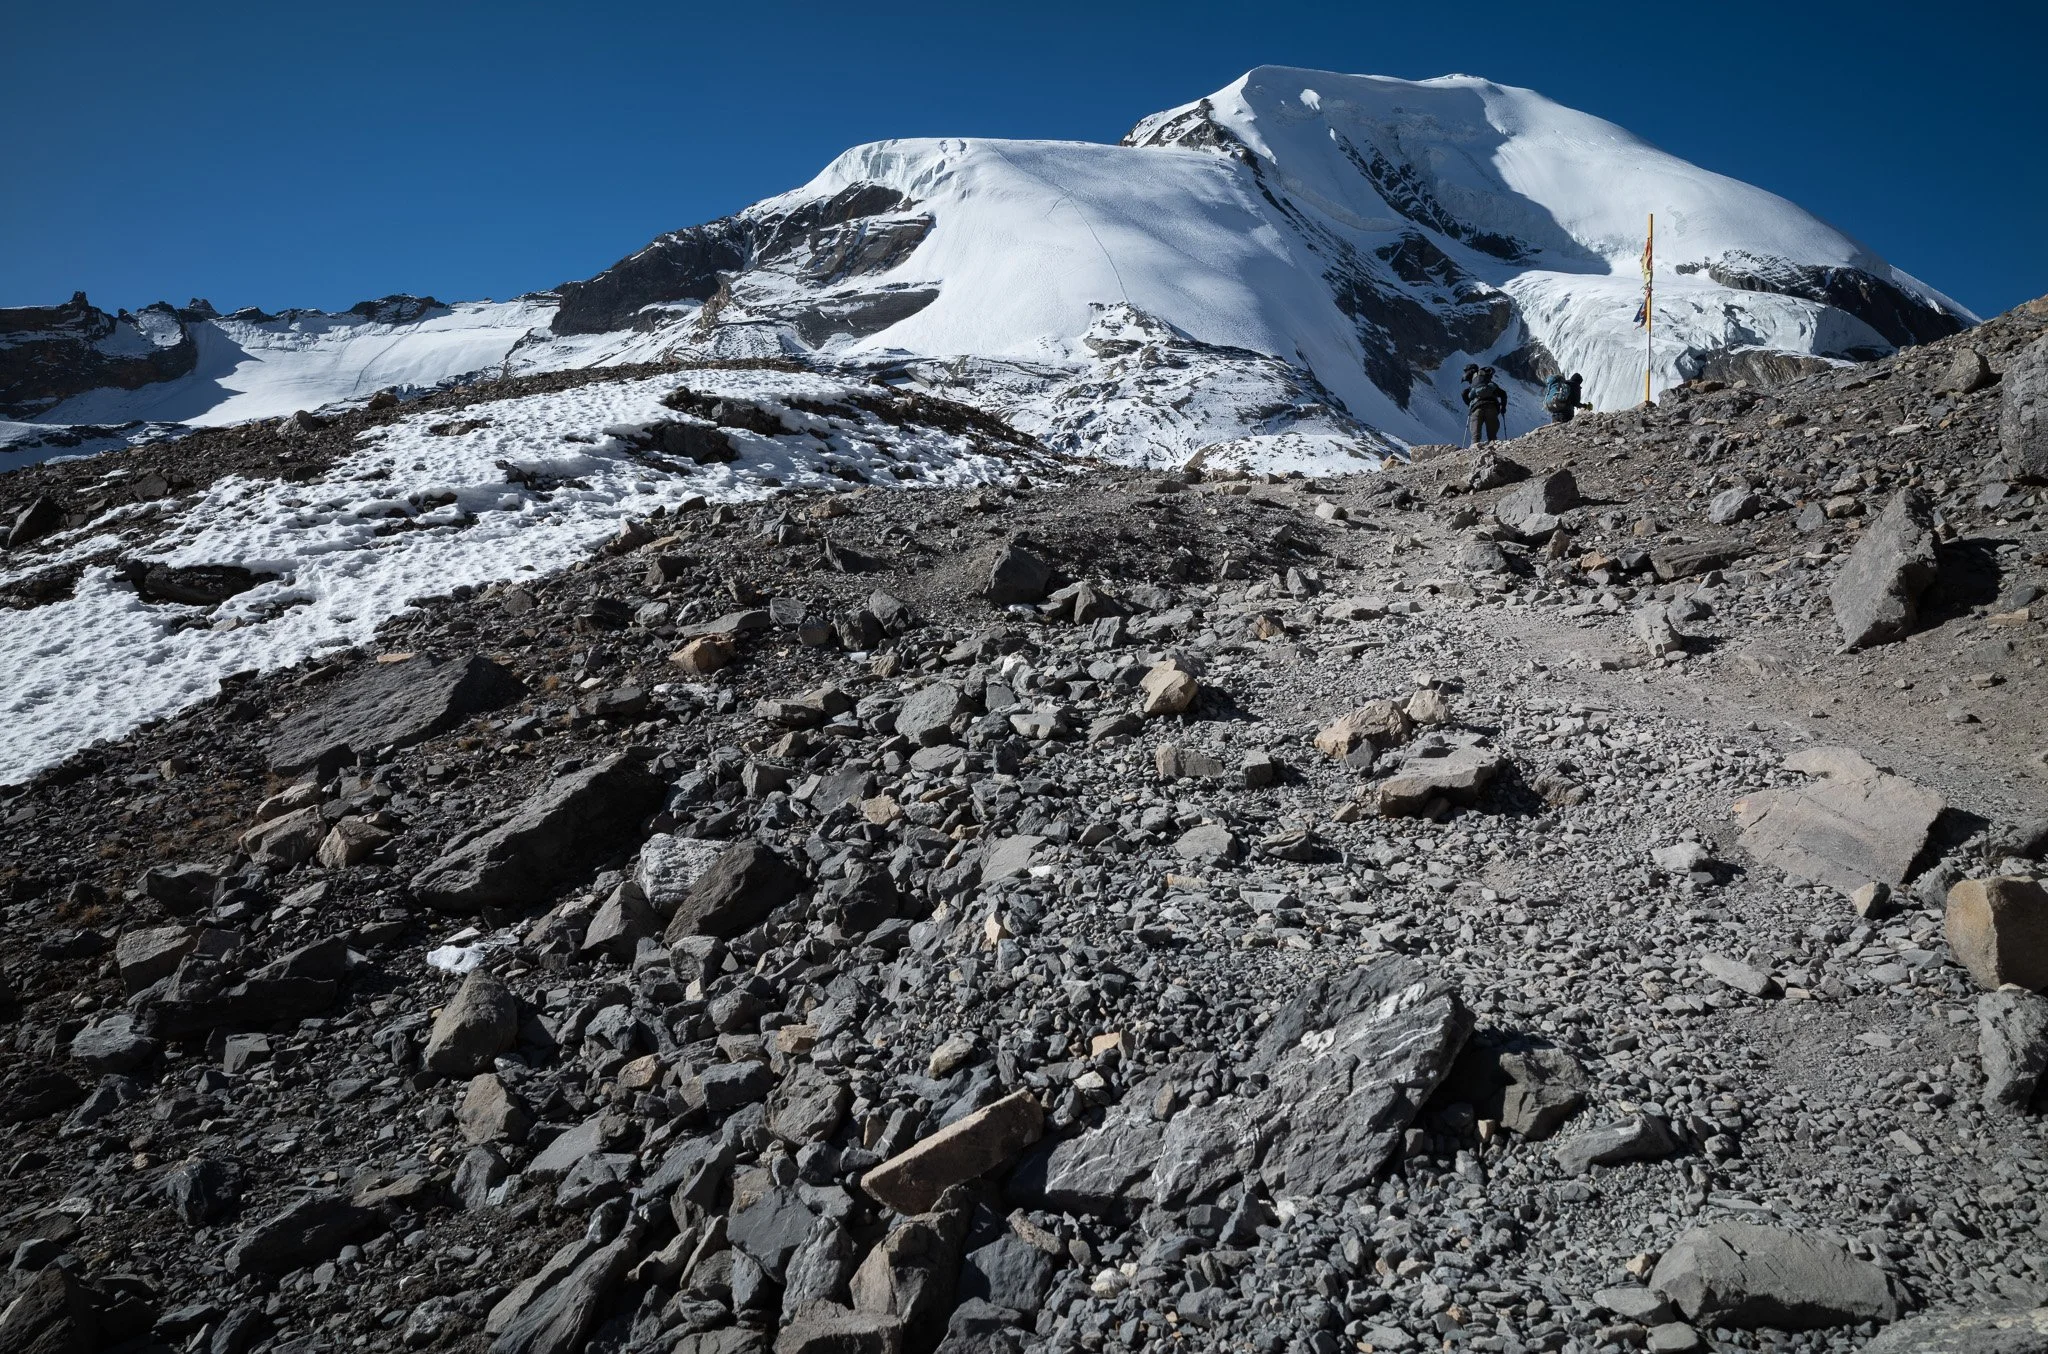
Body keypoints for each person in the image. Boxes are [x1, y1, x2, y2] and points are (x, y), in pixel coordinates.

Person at [1467, 365, 1506, 444]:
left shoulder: (1474, 386)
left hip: (1476, 409)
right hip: (1491, 408)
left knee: (1475, 436)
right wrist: (1503, 408)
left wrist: (1470, 406)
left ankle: (1473, 453)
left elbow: (1465, 394)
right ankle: (1492, 454)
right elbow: (1503, 394)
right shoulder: (1491, 385)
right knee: (1492, 437)